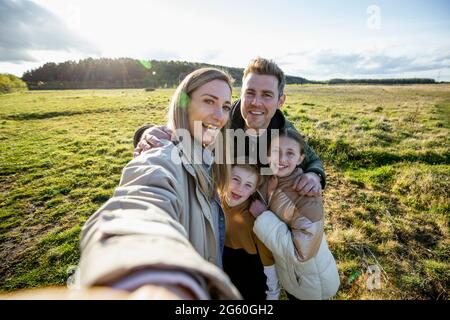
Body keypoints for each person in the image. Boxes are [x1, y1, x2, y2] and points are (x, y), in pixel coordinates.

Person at [77, 67, 241, 299]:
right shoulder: (161, 157)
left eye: (225, 106)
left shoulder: (206, 155)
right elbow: (137, 206)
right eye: (208, 101)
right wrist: (154, 276)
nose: (220, 116)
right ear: (184, 104)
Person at [134, 57, 326, 197]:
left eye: (267, 95)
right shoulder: (222, 121)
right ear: (241, 94)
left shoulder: (286, 132)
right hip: (222, 214)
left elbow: (312, 159)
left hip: (263, 217)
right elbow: (184, 130)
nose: (256, 102)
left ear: (280, 101)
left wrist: (314, 175)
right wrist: (148, 133)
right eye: (250, 93)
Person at [249, 128, 340, 300]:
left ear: (300, 159)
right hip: (293, 279)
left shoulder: (307, 195)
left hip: (313, 286)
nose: (281, 159)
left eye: (290, 153)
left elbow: (301, 254)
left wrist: (263, 218)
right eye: (276, 152)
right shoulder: (270, 180)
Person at [220, 162, 280, 300]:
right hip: (222, 260)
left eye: (248, 185)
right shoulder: (215, 202)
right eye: (236, 179)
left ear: (254, 190)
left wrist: (272, 291)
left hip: (248, 269)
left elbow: (267, 258)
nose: (240, 188)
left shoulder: (253, 218)